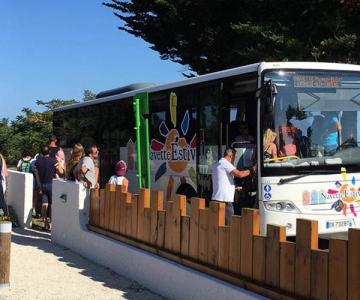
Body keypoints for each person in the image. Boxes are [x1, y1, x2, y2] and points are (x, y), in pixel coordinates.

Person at [211, 148, 255, 225]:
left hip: (217, 198)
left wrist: (234, 187)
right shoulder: (225, 163)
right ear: (231, 156)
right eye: (235, 157)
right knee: (229, 226)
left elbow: (222, 181)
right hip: (225, 201)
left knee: (219, 225)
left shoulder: (218, 163)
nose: (234, 160)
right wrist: (253, 170)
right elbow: (240, 174)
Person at [34, 145, 64, 230]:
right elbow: (61, 172)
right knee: (52, 205)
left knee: (44, 204)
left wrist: (39, 185)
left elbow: (37, 174)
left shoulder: (38, 161)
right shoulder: (54, 161)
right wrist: (59, 161)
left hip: (43, 185)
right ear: (49, 152)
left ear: (41, 152)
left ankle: (46, 224)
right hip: (52, 184)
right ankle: (52, 223)